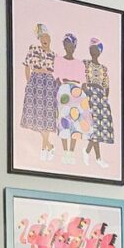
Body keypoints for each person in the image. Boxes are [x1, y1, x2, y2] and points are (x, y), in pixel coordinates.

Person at [20, 23, 57, 161]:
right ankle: (48, 145)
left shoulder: (54, 55)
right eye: (42, 37)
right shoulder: (34, 49)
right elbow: (27, 66)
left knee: (46, 117)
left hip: (48, 84)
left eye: (46, 37)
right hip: (35, 82)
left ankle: (45, 147)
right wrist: (29, 82)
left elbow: (56, 72)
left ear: (50, 38)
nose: (44, 40)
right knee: (35, 116)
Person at [54, 33, 91, 165]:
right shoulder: (58, 60)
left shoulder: (79, 64)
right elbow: (57, 79)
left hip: (77, 92)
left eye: (73, 46)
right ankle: (65, 151)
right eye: (68, 45)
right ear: (64, 45)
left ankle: (72, 151)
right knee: (64, 120)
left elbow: (83, 83)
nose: (70, 48)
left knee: (76, 120)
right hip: (64, 91)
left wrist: (87, 96)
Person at [83, 38, 114, 168]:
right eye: (91, 48)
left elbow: (106, 85)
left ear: (100, 51)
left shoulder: (104, 68)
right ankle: (96, 157)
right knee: (93, 127)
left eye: (95, 49)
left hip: (100, 98)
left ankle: (88, 152)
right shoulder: (85, 63)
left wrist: (104, 99)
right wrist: (86, 94)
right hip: (89, 95)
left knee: (99, 128)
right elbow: (82, 79)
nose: (93, 51)